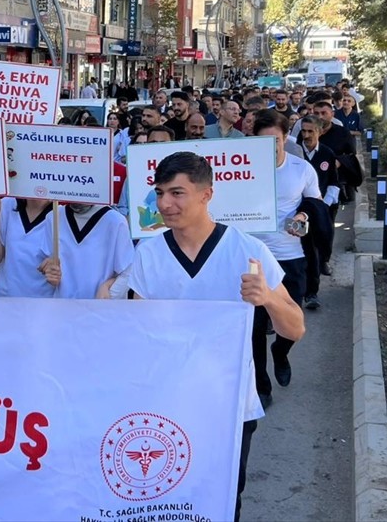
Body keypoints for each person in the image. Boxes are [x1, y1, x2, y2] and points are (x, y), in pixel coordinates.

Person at [111, 151, 304, 522]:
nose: (164, 204)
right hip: (166, 403)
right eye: (160, 193)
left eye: (177, 193)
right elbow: (136, 334)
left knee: (222, 502)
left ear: (206, 194)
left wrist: (267, 299)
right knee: (165, 503)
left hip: (228, 404)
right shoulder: (149, 253)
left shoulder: (248, 250)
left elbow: (295, 328)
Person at [250, 110, 321, 397]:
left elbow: (315, 204)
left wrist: (303, 216)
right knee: (253, 328)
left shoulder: (301, 169)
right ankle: (261, 387)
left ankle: (281, 351)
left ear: (285, 138)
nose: (270, 147)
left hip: (290, 256)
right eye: (263, 142)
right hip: (252, 259)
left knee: (292, 319)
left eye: (275, 141)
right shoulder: (239, 171)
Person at [54, 202, 133, 299]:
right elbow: (45, 267)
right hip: (62, 305)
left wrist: (108, 295)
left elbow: (128, 271)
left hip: (100, 306)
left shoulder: (115, 221)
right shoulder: (54, 217)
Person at [0, 196, 59, 297]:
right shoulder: (5, 205)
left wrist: (55, 269)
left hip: (40, 300)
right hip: (5, 299)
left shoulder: (59, 215)